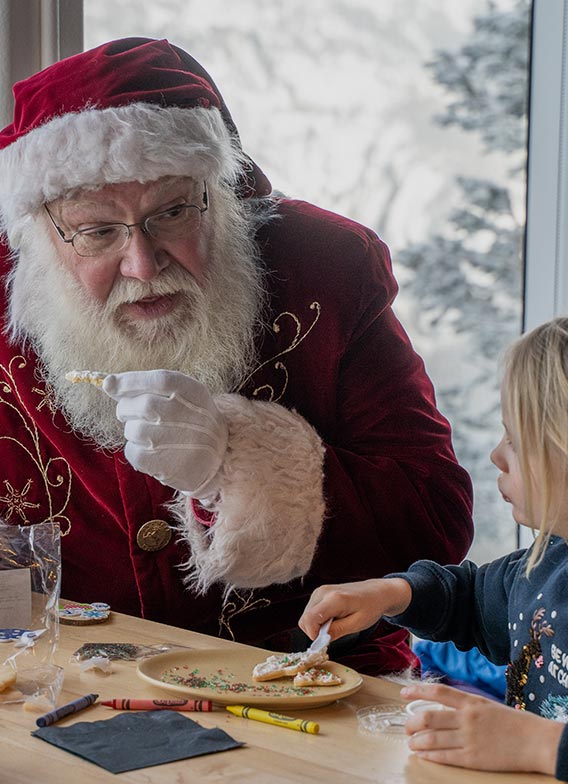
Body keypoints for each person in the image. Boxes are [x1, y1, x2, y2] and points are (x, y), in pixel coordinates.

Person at [0, 37, 473, 675]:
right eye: (97, 230)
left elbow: (433, 522)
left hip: (314, 692)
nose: (142, 264)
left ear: (219, 196)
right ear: (40, 234)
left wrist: (241, 462)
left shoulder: (324, 271)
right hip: (54, 692)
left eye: (170, 213)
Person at [299, 317, 568, 779]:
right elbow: (467, 595)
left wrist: (539, 744)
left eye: (517, 441)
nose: (497, 456)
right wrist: (389, 593)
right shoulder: (546, 565)